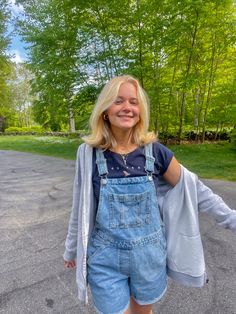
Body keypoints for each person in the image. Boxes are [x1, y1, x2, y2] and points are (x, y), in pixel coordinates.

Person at [63, 75, 236, 314]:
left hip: (149, 258)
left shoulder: (156, 153)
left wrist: (231, 218)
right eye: (118, 101)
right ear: (105, 110)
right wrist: (71, 248)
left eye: (133, 102)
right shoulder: (88, 154)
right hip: (105, 259)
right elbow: (78, 209)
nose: (127, 108)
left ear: (141, 110)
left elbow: (196, 190)